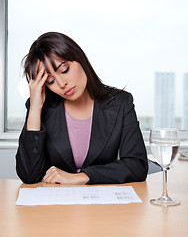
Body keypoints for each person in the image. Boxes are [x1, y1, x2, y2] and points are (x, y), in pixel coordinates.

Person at [16, 32, 148, 184]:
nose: (61, 83)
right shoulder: (41, 108)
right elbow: (29, 175)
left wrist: (82, 177)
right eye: (51, 81)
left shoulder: (121, 103)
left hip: (105, 204)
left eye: (64, 70)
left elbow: (137, 166)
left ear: (79, 58)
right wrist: (34, 108)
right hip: (57, 204)